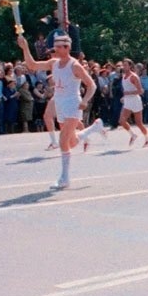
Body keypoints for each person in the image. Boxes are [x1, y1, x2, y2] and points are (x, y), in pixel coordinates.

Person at [17, 34, 99, 190]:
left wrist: (84, 100)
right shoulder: (54, 63)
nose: (55, 50)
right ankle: (93, 129)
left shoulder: (75, 66)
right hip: (60, 104)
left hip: (72, 104)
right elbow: (32, 65)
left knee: (62, 141)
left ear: (67, 48)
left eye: (59, 47)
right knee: (71, 142)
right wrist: (25, 47)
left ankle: (64, 178)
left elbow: (92, 85)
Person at [118, 58, 148, 147]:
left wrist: (128, 93)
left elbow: (141, 91)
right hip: (128, 101)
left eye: (125, 65)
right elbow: (127, 89)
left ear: (130, 66)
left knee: (139, 123)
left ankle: (147, 139)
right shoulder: (124, 76)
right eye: (123, 65)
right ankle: (133, 135)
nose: (124, 67)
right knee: (121, 121)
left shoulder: (134, 76)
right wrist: (124, 96)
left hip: (135, 101)